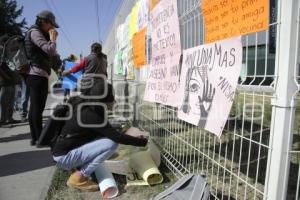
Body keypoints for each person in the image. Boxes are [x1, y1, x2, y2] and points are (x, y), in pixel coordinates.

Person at [52, 80, 148, 193]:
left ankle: (77, 166)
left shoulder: (85, 105)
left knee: (105, 141)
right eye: (111, 96)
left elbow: (105, 131)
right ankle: (78, 177)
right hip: (65, 157)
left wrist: (123, 131)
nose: (113, 99)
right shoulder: (91, 114)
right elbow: (116, 138)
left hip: (62, 151)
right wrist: (142, 142)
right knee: (111, 144)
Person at [25, 10, 60, 145]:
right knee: (37, 108)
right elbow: (50, 50)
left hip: (38, 74)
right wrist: (53, 39)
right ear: (43, 21)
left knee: (36, 107)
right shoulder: (35, 32)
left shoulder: (39, 32)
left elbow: (52, 53)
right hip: (36, 75)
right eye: (51, 25)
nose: (52, 28)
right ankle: (39, 138)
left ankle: (35, 138)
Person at [0, 35, 20, 126]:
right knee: (4, 101)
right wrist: (6, 76)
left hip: (12, 80)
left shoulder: (7, 51)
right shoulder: (1, 50)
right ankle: (3, 120)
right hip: (5, 81)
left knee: (11, 100)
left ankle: (9, 118)